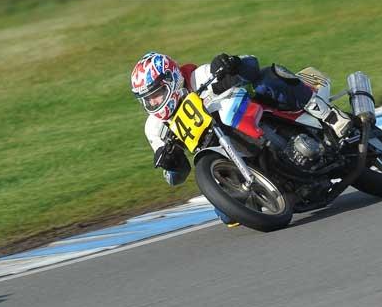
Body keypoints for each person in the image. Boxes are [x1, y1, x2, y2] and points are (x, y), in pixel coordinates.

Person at [130, 50, 352, 224]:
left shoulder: (198, 76)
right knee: (229, 217)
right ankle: (280, 188)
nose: (154, 103)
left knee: (267, 78)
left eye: (157, 95)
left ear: (172, 79)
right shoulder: (154, 127)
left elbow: (251, 66)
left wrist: (232, 63)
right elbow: (175, 177)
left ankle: (330, 116)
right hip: (219, 155)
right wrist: (170, 163)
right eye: (148, 100)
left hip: (245, 120)